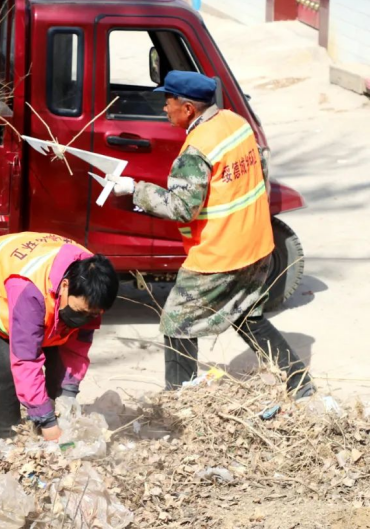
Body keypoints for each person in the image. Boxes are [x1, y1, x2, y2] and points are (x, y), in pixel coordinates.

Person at [106, 70, 315, 398]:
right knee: (246, 314)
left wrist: (135, 190)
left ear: (188, 108)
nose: (164, 108)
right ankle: (299, 382)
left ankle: (180, 396)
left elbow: (180, 208)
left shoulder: (196, 149)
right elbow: (258, 173)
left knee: (177, 320)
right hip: (256, 243)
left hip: (220, 254)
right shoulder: (236, 123)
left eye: (168, 101)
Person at [0, 232, 119, 440]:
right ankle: (6, 437)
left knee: (58, 359)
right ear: (65, 286)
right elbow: (26, 358)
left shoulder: (93, 282)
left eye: (92, 314)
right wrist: (46, 421)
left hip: (35, 290)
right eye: (80, 311)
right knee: (7, 366)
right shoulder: (29, 289)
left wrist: (68, 392)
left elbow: (77, 347)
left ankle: (44, 422)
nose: (84, 318)